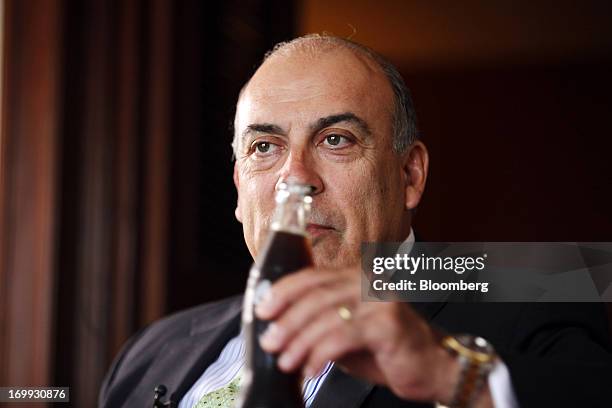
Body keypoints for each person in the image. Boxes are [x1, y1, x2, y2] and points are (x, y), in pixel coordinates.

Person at [99, 34, 612, 408]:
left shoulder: (538, 284)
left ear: (410, 175)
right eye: (265, 147)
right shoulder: (151, 350)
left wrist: (453, 374)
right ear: (238, 188)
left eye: (336, 139)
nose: (294, 178)